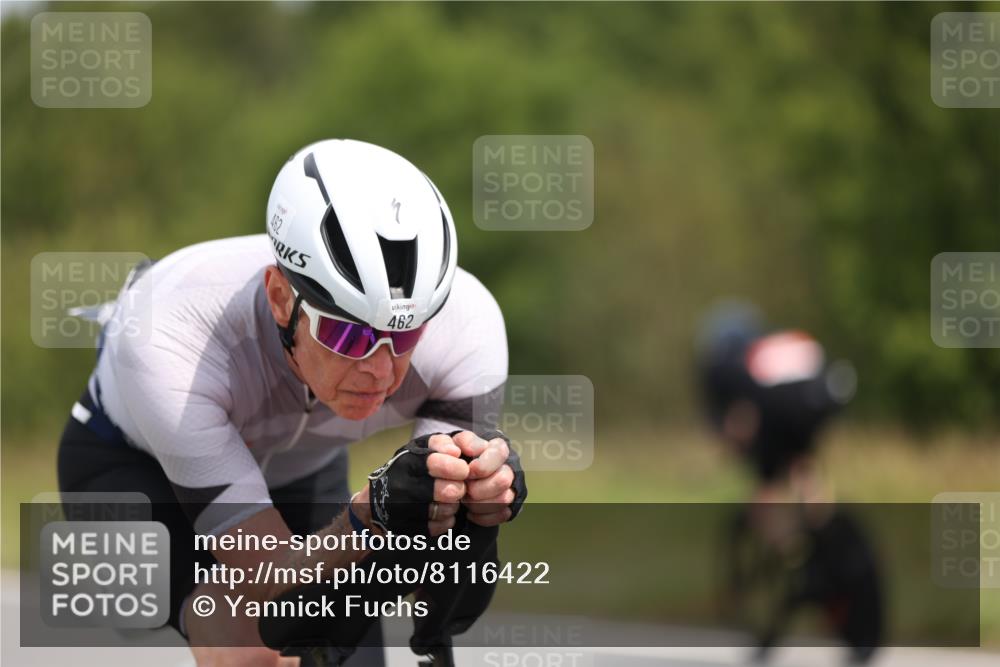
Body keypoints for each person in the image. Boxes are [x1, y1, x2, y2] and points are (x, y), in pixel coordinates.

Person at [57, 139, 527, 667]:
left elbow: (436, 572)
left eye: (404, 336)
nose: (378, 369)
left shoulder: (467, 323)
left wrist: (478, 511)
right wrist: (367, 519)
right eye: (347, 335)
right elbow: (271, 584)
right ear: (281, 298)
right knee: (251, 645)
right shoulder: (173, 335)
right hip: (134, 472)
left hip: (302, 471)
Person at [695, 301, 880, 664]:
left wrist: (739, 446)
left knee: (766, 490)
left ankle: (794, 551)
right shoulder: (775, 347)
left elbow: (738, 422)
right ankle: (818, 526)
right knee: (803, 467)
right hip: (823, 394)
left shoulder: (725, 365)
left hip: (783, 409)